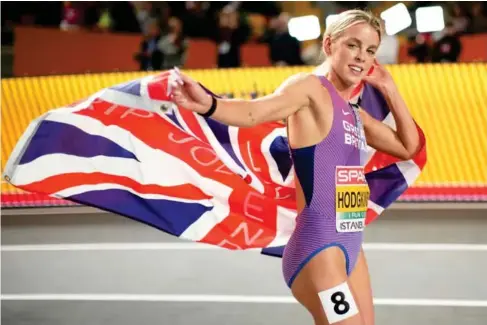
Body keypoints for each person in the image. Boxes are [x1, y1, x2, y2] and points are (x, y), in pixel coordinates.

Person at [168, 9, 420, 325]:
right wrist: (209, 104)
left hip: (351, 247)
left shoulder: (355, 114)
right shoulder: (310, 89)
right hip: (318, 249)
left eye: (370, 50)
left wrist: (389, 87)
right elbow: (253, 113)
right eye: (353, 45)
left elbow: (407, 147)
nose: (362, 57)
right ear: (329, 45)